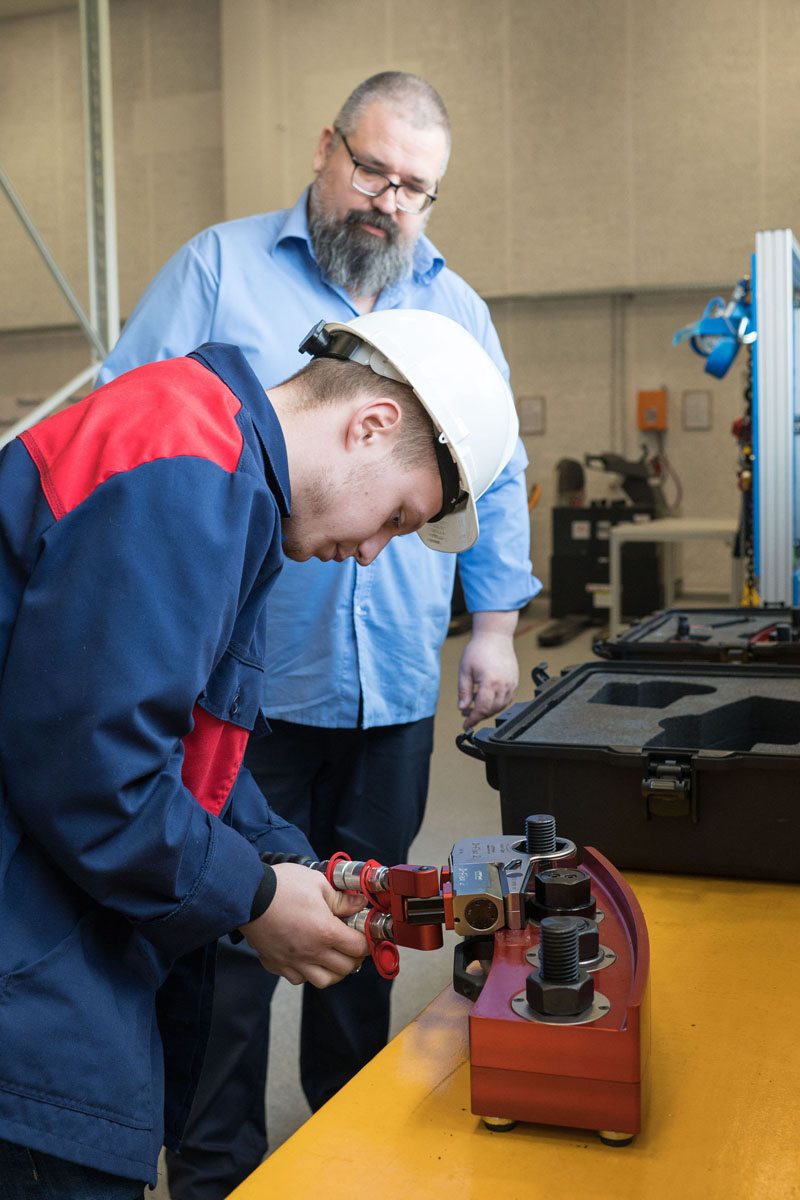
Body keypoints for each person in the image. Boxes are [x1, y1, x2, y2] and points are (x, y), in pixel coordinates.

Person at [97, 71, 539, 1198]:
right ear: (324, 152)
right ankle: (213, 1174)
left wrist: (489, 625)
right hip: (244, 687)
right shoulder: (217, 267)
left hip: (387, 686)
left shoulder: (459, 308)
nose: (387, 200)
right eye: (373, 170)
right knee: (230, 944)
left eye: (415, 189)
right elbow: (129, 439)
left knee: (360, 919)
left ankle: (354, 1155)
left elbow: (497, 482)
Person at [0, 309, 520, 1198]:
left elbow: (188, 738)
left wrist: (284, 859)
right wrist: (250, 897)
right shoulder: (187, 473)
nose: (369, 553)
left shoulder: (217, 463)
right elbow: (98, 775)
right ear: (370, 424)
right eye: (395, 517)